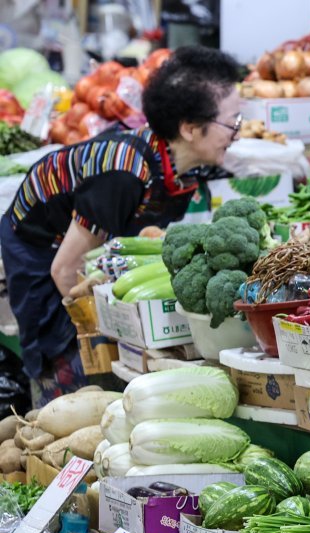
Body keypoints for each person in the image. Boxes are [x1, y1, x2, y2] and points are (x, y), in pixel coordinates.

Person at [1, 46, 242, 406]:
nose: (238, 133)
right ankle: (53, 416)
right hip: (40, 246)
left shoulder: (178, 161)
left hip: (82, 237)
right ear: (191, 128)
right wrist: (118, 333)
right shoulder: (124, 174)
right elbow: (65, 271)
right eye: (232, 123)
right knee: (66, 351)